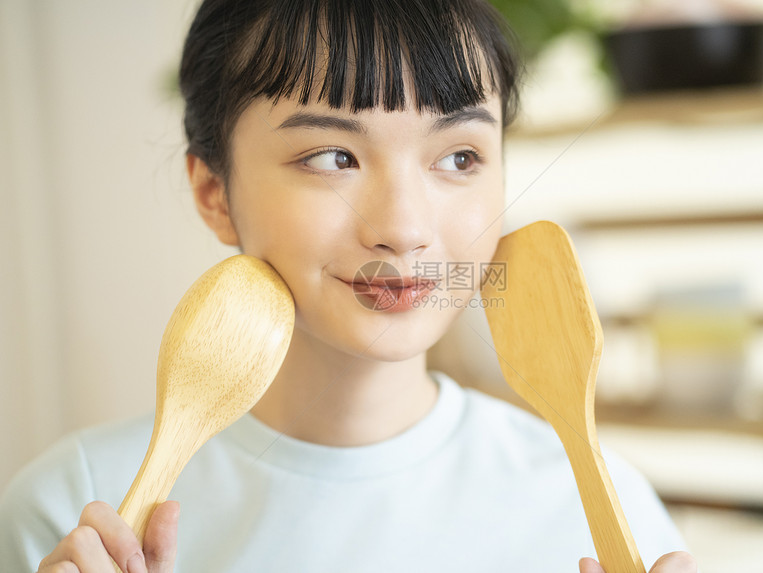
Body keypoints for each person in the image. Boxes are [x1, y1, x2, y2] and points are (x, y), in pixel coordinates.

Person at [0, 0, 696, 571]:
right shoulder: (75, 509)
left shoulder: (604, 509)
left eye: (459, 156)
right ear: (213, 191)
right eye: (333, 156)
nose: (403, 227)